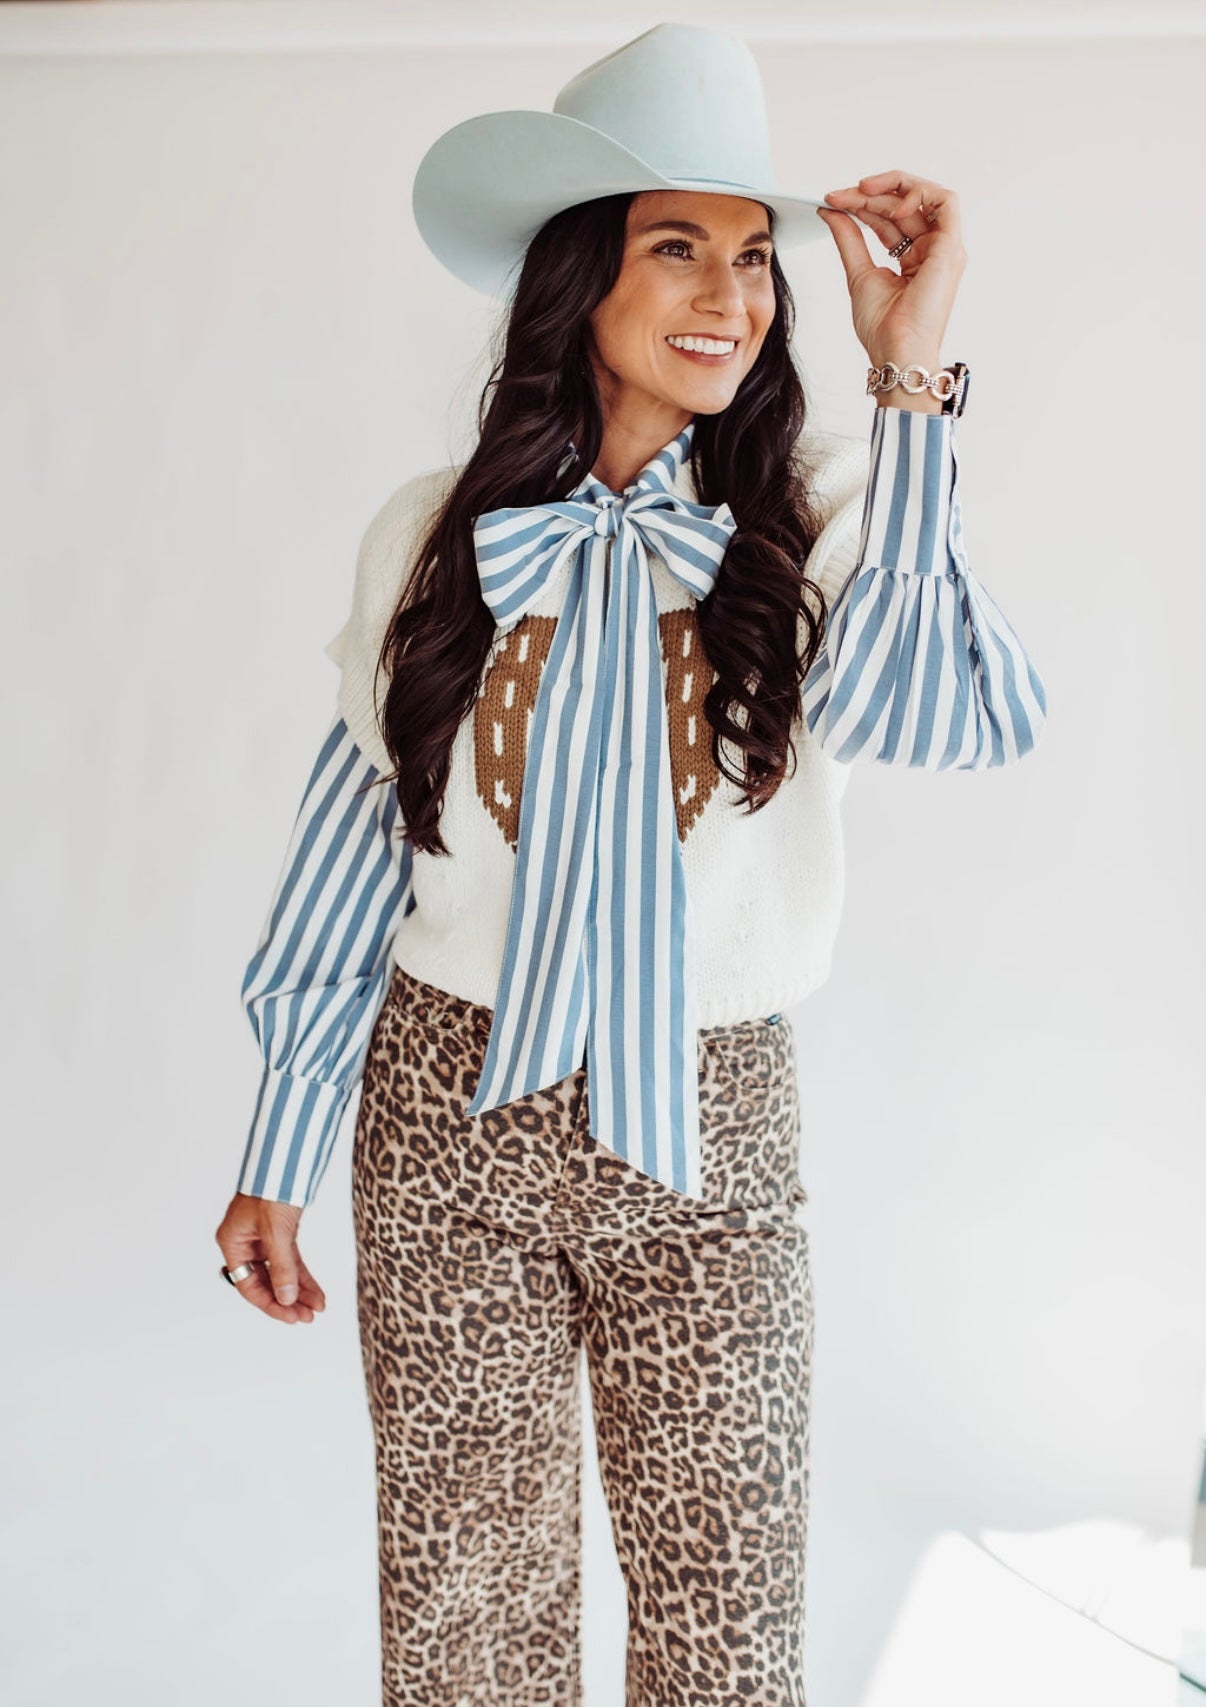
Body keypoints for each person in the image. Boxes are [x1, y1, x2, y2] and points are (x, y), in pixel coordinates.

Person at [214, 21, 1046, 1707]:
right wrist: (279, 1144)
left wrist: (910, 379)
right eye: (679, 247)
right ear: (576, 277)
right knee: (463, 1617)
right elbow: (355, 836)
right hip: (445, 1119)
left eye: (753, 258)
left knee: (726, 1620)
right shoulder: (429, 530)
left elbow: (942, 715)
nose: (731, 295)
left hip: (711, 1125)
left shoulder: (827, 509)